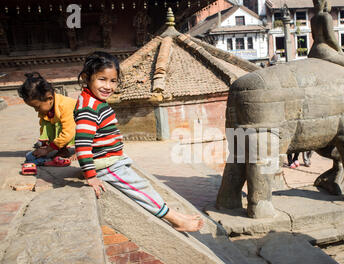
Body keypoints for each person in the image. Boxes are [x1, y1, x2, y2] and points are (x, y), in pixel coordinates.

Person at [74, 51, 204, 232]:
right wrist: (91, 176)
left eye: (113, 81)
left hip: (112, 160)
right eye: (102, 79)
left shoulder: (91, 100)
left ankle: (176, 214)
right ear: (87, 78)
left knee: (144, 185)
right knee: (140, 189)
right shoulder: (89, 108)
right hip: (107, 166)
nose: (108, 86)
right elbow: (82, 143)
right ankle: (175, 219)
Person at [17, 72, 76, 168]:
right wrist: (44, 145)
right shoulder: (46, 109)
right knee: (48, 124)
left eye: (37, 107)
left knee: (65, 128)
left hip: (88, 129)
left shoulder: (65, 105)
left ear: (49, 98)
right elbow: (44, 129)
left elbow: (68, 133)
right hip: (69, 130)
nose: (36, 110)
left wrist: (47, 150)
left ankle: (84, 150)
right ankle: (62, 150)